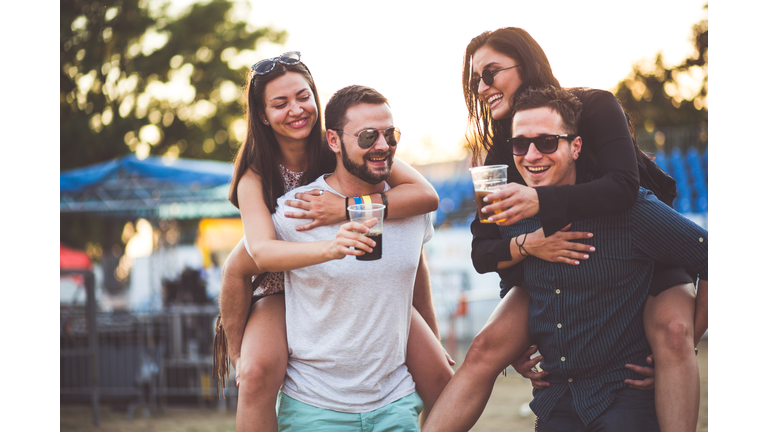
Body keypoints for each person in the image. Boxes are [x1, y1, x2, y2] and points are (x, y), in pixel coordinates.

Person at [423, 28, 706, 432]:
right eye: (475, 81)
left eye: (490, 73)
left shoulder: (593, 105)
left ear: (528, 64)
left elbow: (623, 188)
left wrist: (539, 201)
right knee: (485, 346)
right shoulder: (504, 147)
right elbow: (491, 245)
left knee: (674, 334)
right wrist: (520, 324)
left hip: (640, 248)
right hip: (557, 256)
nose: (482, 87)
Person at [213, 53, 453, 431]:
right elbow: (255, 256)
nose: (296, 109)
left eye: (303, 96)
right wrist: (238, 351)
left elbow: (425, 198)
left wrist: (345, 207)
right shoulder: (255, 174)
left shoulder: (351, 147)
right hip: (280, 283)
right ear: (262, 115)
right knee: (256, 373)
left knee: (442, 373)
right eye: (280, 103)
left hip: (359, 285)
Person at [272, 84, 434, 431]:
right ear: (333, 140)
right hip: (316, 406)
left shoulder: (413, 207)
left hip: (395, 402)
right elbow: (239, 268)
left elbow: (415, 270)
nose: (383, 146)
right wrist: (241, 353)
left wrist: (431, 341)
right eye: (368, 136)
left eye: (391, 135)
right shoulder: (297, 209)